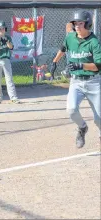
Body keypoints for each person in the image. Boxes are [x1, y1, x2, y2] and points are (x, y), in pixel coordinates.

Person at [50, 10, 101, 148]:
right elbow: (63, 48)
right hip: (76, 82)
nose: (77, 26)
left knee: (99, 118)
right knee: (71, 110)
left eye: (81, 23)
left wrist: (80, 64)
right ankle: (82, 127)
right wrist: (54, 62)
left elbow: (98, 66)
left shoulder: (94, 41)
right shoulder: (70, 37)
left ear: (88, 24)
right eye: (75, 23)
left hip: (93, 82)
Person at [0, 21, 20, 104]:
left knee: (9, 79)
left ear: (5, 29)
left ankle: (13, 97)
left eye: (3, 29)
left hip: (6, 60)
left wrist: (7, 41)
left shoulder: (8, 37)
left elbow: (11, 47)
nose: (1, 30)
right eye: (0, 29)